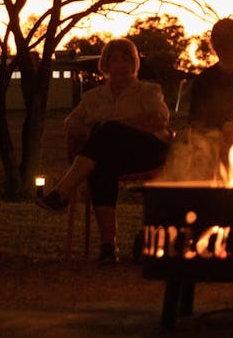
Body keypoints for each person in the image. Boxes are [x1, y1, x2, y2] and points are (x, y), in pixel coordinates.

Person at [36, 38, 172, 263]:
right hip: (110, 157)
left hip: (146, 152)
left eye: (126, 59)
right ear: (106, 64)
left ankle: (63, 190)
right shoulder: (92, 97)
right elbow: (71, 122)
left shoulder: (149, 90)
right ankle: (109, 246)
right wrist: (95, 136)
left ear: (134, 63)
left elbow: (158, 120)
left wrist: (113, 127)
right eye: (114, 59)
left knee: (107, 129)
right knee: (100, 165)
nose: (120, 65)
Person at [188, 18, 233, 171]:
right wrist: (219, 133)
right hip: (213, 149)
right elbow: (196, 125)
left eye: (230, 42)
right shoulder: (203, 81)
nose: (225, 48)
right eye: (222, 43)